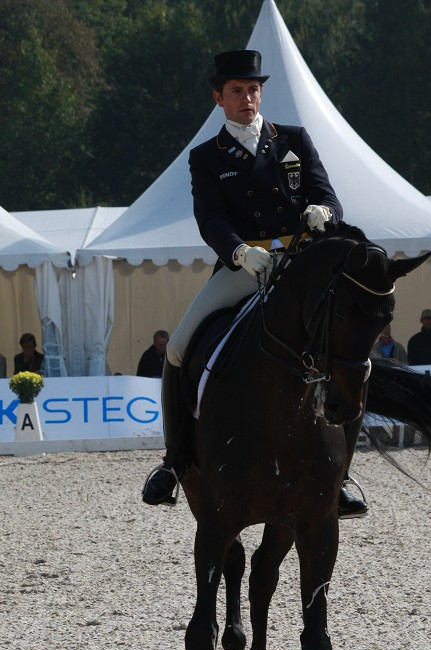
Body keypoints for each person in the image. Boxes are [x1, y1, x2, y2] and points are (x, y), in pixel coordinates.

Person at [142, 49, 366, 518]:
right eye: (238, 91)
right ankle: (173, 461)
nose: (248, 97)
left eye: (254, 89)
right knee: (180, 349)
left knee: (348, 346)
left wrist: (323, 213)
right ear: (219, 98)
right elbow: (211, 219)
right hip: (246, 268)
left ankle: (341, 475)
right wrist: (241, 253)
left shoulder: (294, 140)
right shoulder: (206, 157)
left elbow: (327, 195)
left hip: (300, 268)